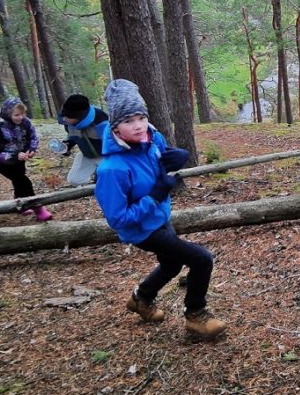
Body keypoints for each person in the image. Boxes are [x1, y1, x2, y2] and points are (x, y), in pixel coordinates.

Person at [94, 79, 227, 340]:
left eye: (141, 116)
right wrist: (155, 194)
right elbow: (118, 219)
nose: (139, 125)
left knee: (172, 264)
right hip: (142, 230)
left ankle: (141, 299)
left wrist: (177, 155)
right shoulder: (111, 170)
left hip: (160, 218)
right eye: (129, 120)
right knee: (201, 258)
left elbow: (160, 156)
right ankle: (196, 316)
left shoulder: (152, 138)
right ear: (116, 128)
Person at [0, 96, 51, 222]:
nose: (21, 117)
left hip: (19, 159)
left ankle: (20, 206)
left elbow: (33, 136)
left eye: (23, 113)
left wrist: (31, 149)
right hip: (2, 162)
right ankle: (38, 208)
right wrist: (14, 156)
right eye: (16, 115)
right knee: (23, 181)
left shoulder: (25, 122)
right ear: (8, 114)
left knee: (19, 179)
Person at [58, 94, 108, 185]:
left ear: (79, 116)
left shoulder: (101, 121)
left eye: (68, 117)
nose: (64, 119)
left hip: (105, 155)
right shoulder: (69, 123)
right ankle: (92, 187)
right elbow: (73, 136)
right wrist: (66, 146)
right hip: (87, 154)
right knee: (75, 180)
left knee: (107, 179)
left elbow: (112, 144)